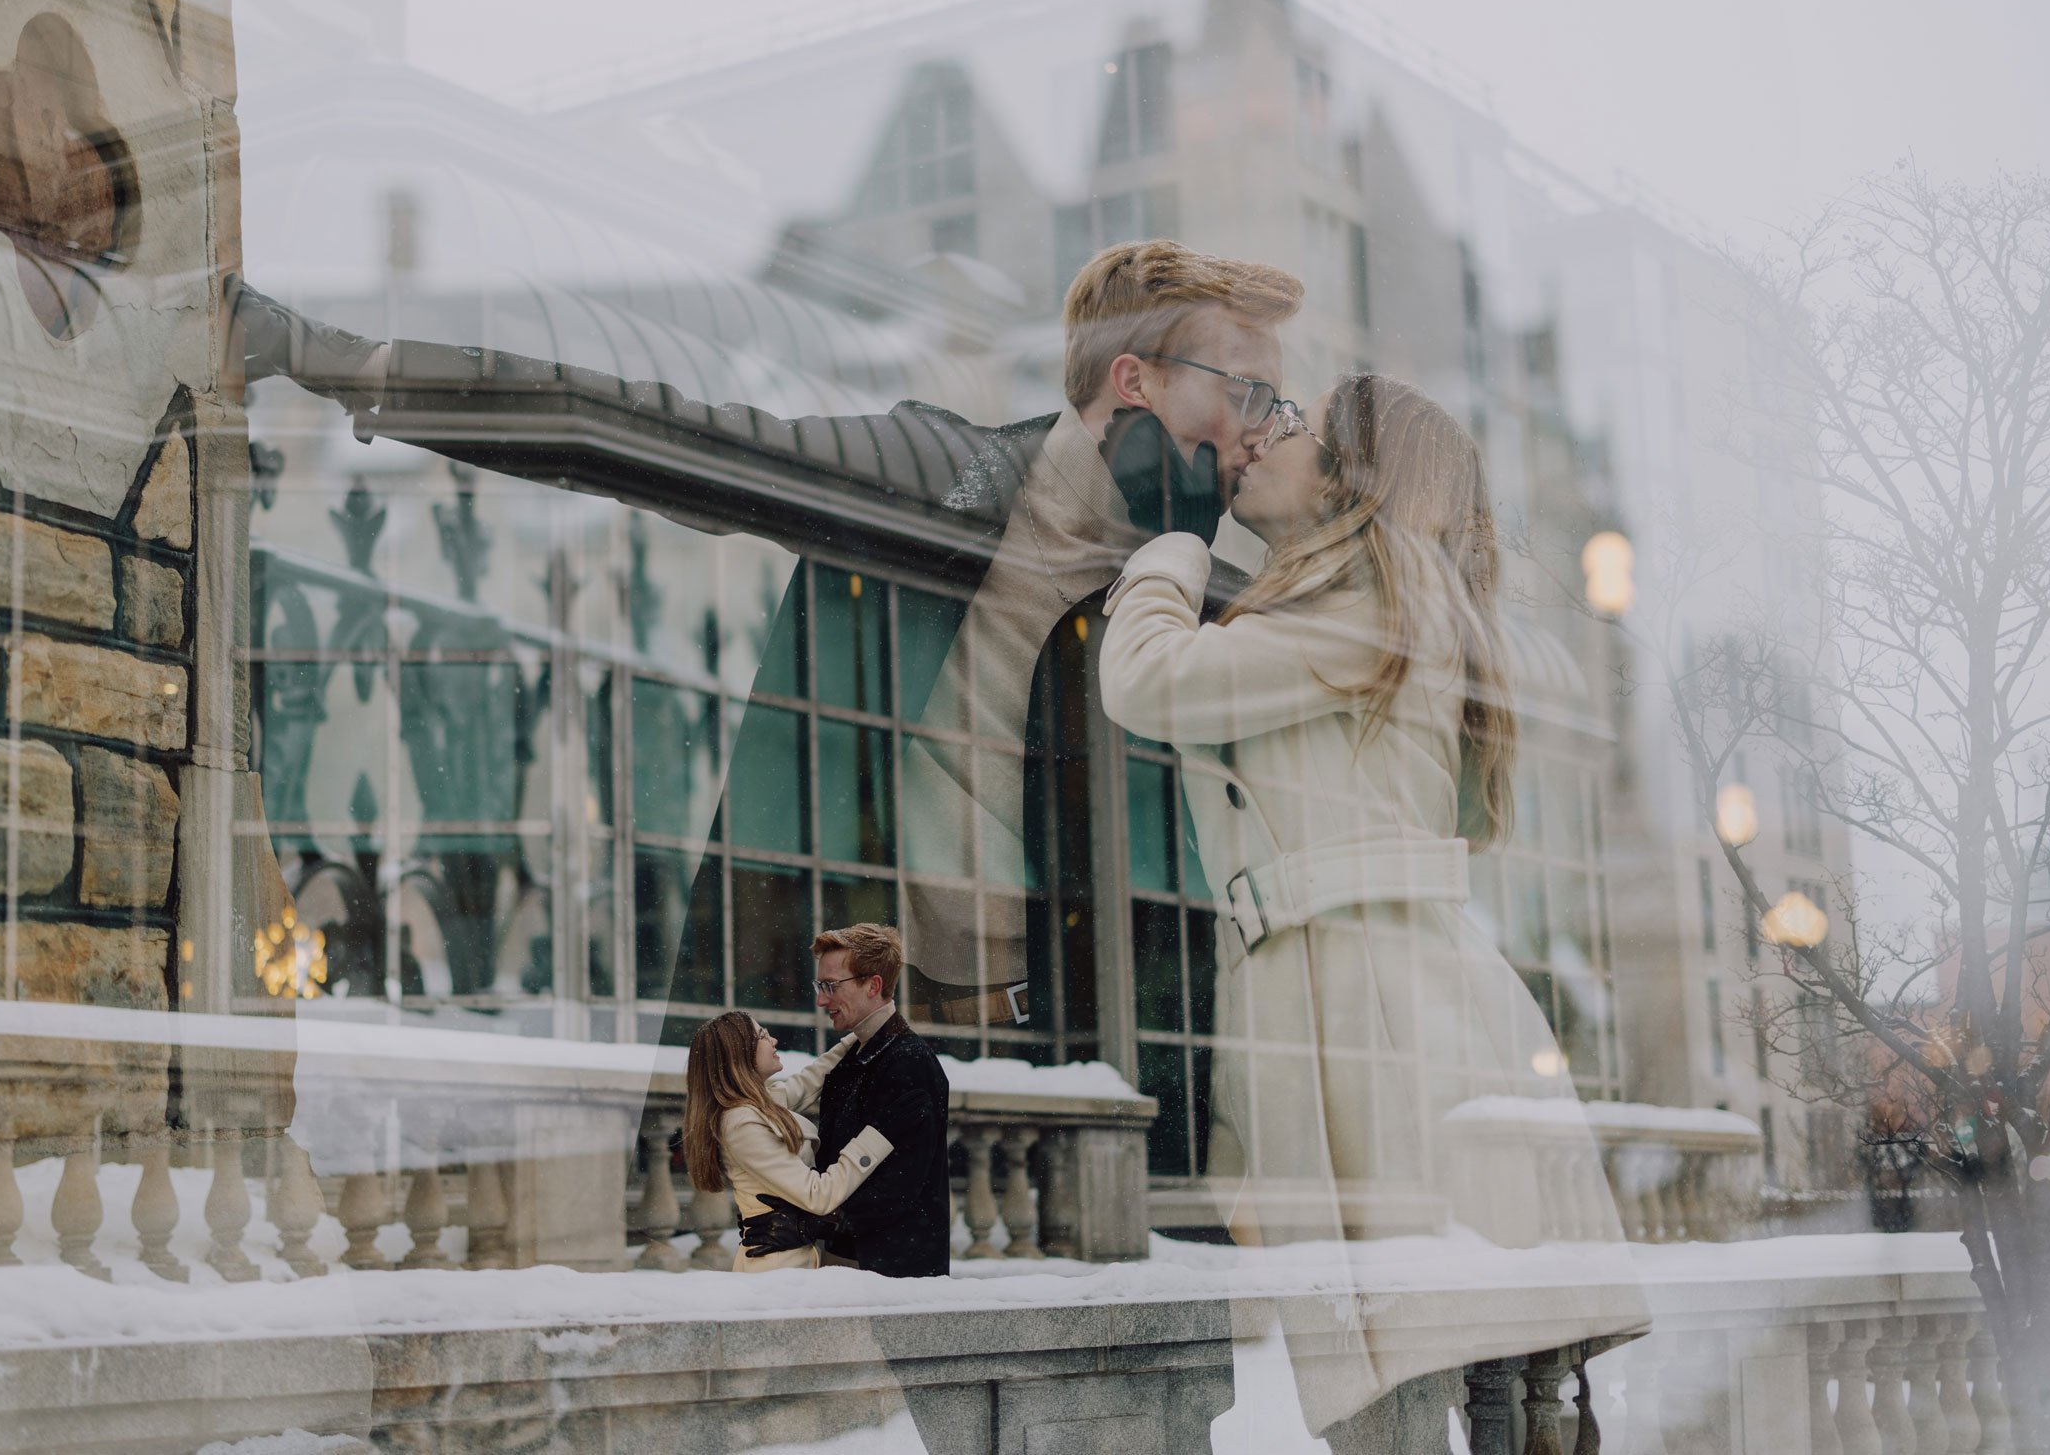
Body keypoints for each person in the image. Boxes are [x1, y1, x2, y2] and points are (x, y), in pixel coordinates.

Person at [229, 243, 1303, 1030]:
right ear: (1134, 381)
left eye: (1278, 401)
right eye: (1246, 387)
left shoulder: (1202, 601)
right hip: (871, 1031)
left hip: (1100, 1056)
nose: (1263, 421)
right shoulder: (943, 476)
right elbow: (656, 434)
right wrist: (362, 368)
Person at [1097, 374, 1642, 1450]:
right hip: (1355, 997)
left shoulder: (1378, 601)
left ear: (1354, 476)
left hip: (1373, 1013)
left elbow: (1148, 678)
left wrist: (1171, 540)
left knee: (1412, 1360)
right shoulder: (1361, 598)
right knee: (1408, 1364)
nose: (1254, 437)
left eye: (1285, 423)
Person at [737, 923, 953, 1276]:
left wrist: (812, 1224)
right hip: (853, 1264)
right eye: (819, 986)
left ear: (874, 985)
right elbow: (833, 1163)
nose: (821, 1000)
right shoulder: (853, 1056)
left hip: (895, 1275)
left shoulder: (911, 1062)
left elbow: (902, 1185)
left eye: (830, 986)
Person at [680, 1011, 896, 1272]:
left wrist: (867, 1029)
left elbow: (811, 1080)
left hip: (789, 1264)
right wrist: (881, 1131)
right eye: (762, 1035)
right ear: (738, 1054)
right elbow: (819, 1196)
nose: (773, 1040)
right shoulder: (741, 1123)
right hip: (776, 1270)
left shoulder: (756, 1106)